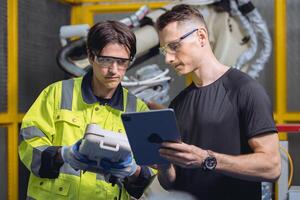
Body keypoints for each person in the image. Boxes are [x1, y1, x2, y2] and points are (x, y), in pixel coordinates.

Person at [155, 4, 281, 200]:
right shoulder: (178, 104)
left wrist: (206, 159)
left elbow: (272, 167)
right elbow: (171, 182)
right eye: (164, 50)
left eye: (174, 46)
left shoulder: (246, 90)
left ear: (201, 37)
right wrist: (164, 166)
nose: (168, 59)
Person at [19, 20, 154, 200]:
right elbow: (28, 144)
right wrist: (62, 155)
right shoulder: (56, 93)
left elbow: (150, 172)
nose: (114, 70)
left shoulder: (138, 110)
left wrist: (133, 171)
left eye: (122, 62)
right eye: (106, 60)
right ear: (91, 56)